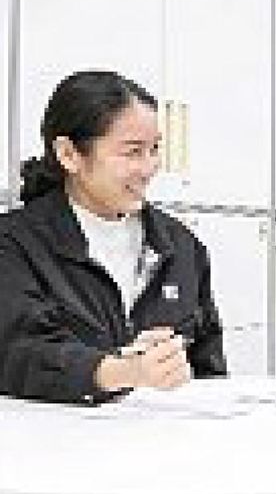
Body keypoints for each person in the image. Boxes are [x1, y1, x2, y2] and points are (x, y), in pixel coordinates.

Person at [0, 70, 227, 405]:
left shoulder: (180, 247)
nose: (149, 168)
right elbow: (18, 354)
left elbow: (209, 370)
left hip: (163, 433)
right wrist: (119, 372)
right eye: (132, 152)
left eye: (154, 149)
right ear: (69, 154)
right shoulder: (15, 243)